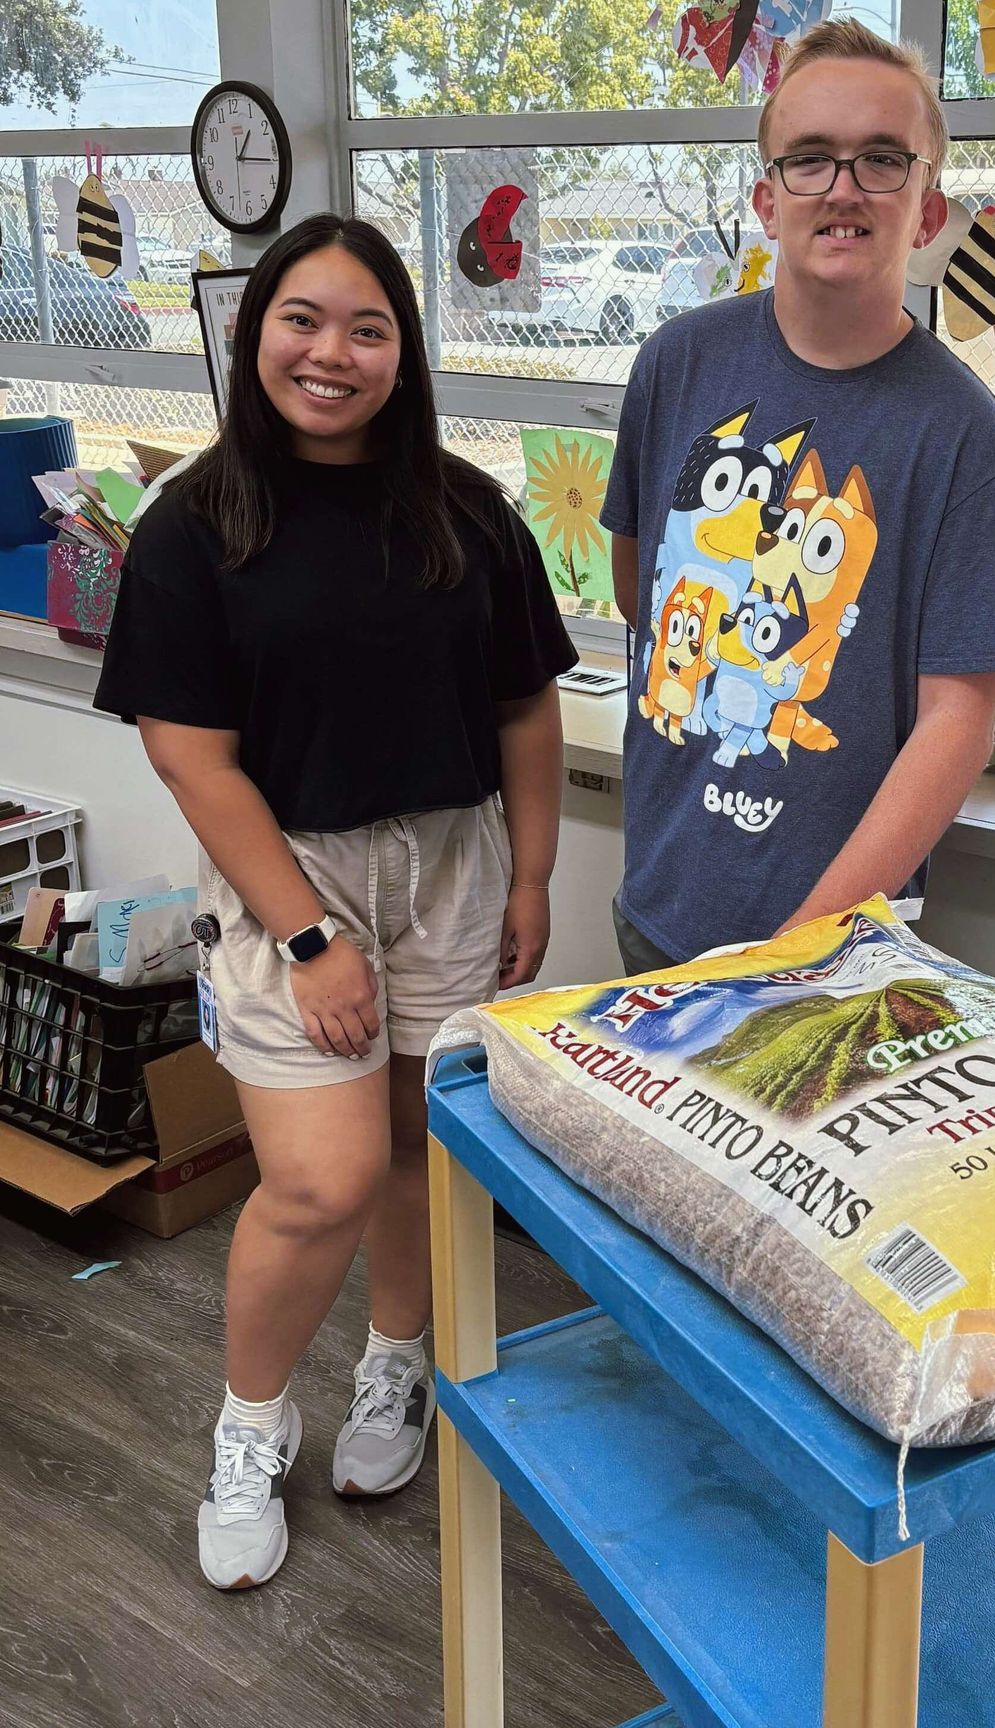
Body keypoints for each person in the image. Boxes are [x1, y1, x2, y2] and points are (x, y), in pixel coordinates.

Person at [94, 214, 575, 1590]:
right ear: (256, 338)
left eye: (368, 328)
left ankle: (395, 1364)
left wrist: (532, 874)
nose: (332, 352)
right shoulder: (195, 523)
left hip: (450, 863)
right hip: (283, 876)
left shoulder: (465, 509)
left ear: (403, 353)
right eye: (302, 320)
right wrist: (307, 935)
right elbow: (188, 750)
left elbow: (523, 701)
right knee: (319, 1178)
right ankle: (250, 1427)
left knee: (418, 1143)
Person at [603, 19, 995, 972]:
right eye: (810, 160)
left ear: (926, 210)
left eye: (882, 160)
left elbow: (957, 718)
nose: (842, 188)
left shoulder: (959, 433)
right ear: (766, 198)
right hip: (662, 896)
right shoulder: (677, 362)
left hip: (838, 940)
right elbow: (639, 581)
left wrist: (806, 942)